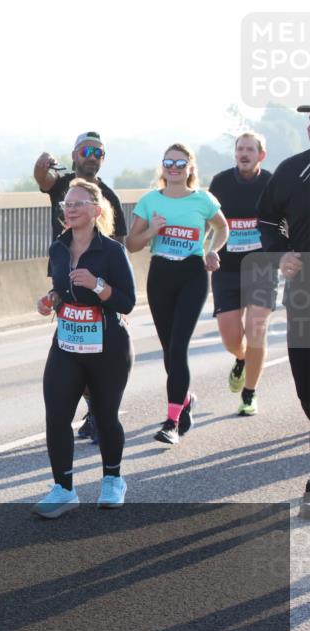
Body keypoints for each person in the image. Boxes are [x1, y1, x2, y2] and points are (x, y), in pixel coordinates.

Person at [33, 179, 135, 518]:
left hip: (107, 345)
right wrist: (51, 300)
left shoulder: (112, 251)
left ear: (96, 210)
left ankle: (112, 479)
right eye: (67, 204)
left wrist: (98, 285)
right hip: (66, 344)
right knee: (57, 414)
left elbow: (128, 302)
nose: (70, 209)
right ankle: (63, 488)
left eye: (78, 204)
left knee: (105, 416)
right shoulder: (58, 248)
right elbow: (61, 289)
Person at [126, 143, 228, 445]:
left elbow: (222, 229)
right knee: (169, 350)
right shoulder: (149, 201)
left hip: (192, 276)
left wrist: (212, 251)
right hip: (160, 276)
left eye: (180, 163)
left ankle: (171, 422)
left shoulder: (203, 200)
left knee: (179, 348)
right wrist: (152, 230)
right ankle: (184, 402)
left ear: (190, 168)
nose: (174, 167)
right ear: (162, 167)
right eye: (168, 162)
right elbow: (132, 244)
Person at [34, 132, 127, 443]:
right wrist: (41, 163)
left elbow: (120, 246)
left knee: (96, 356)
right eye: (86, 150)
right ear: (74, 154)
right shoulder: (63, 185)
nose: (92, 156)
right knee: (74, 350)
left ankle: (100, 414)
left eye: (98, 152)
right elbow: (42, 179)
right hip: (64, 277)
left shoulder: (109, 196)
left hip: (100, 294)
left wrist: (105, 286)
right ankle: (94, 411)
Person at [256, 104, 310, 515]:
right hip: (303, 292)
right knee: (306, 383)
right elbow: (268, 220)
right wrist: (280, 255)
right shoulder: (291, 172)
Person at [208, 132, 275, 415]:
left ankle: (249, 394)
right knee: (231, 338)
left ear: (261, 155)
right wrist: (203, 250)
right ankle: (241, 358)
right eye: (239, 149)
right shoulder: (221, 182)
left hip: (261, 268)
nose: (243, 154)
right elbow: (207, 219)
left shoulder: (271, 182)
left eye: (250, 149)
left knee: (257, 329)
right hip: (227, 269)